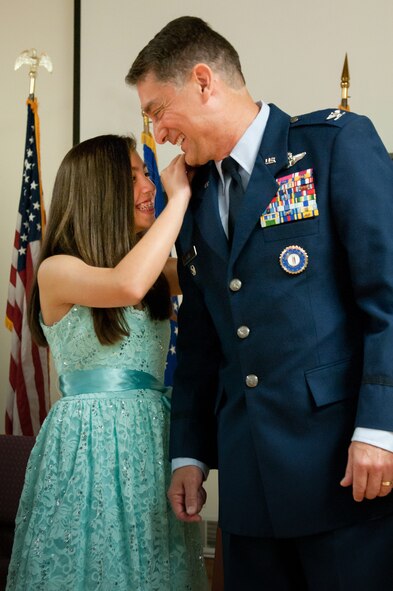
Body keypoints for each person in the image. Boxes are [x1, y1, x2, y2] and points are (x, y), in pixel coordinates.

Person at [126, 16, 393, 590]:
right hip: (248, 482)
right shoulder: (190, 196)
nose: (158, 134)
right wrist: (188, 454)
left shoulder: (331, 147)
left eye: (156, 111)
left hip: (342, 470)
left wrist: (380, 429)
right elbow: (200, 339)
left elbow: (386, 298)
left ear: (203, 81)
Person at [6, 134, 208, 591]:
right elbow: (126, 285)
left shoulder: (153, 271)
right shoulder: (58, 269)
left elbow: (211, 270)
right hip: (88, 449)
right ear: (98, 192)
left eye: (147, 174)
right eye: (134, 176)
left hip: (153, 443)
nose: (150, 185)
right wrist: (178, 199)